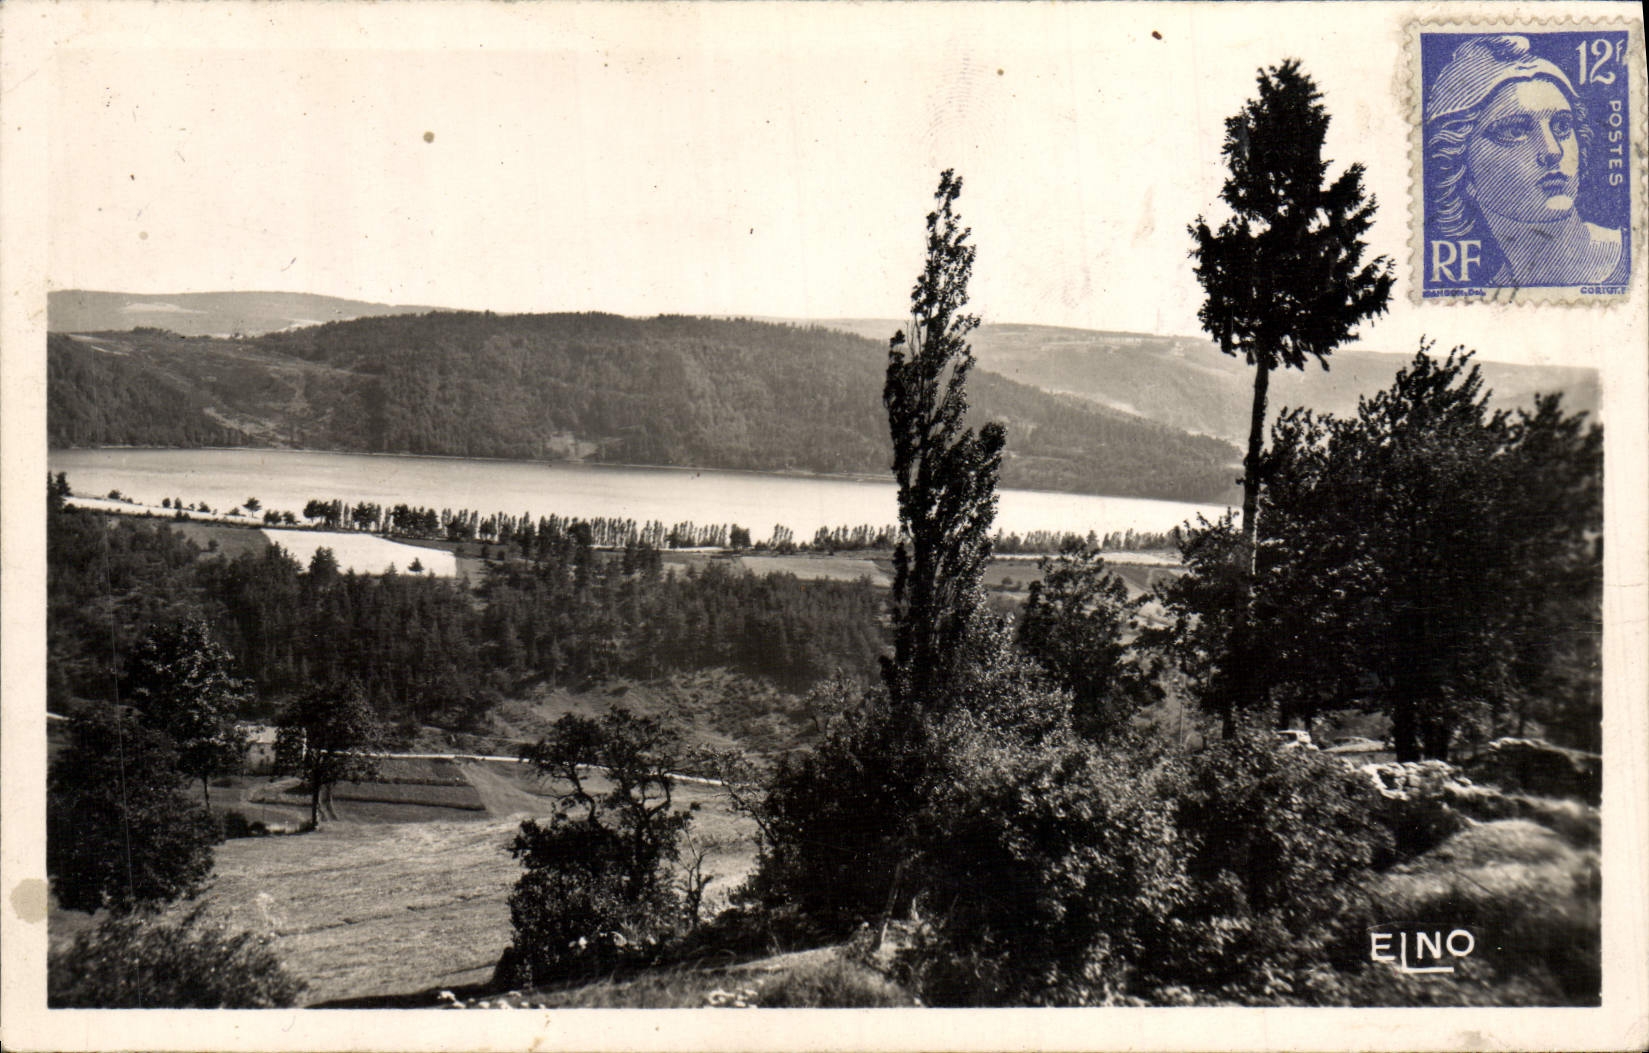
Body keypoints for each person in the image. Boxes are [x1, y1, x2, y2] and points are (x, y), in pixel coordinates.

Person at [1425, 34, 1626, 286]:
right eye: (1515, 131)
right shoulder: (1481, 301)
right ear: (1458, 166)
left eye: (1562, 126)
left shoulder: (1634, 260)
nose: (1553, 151)